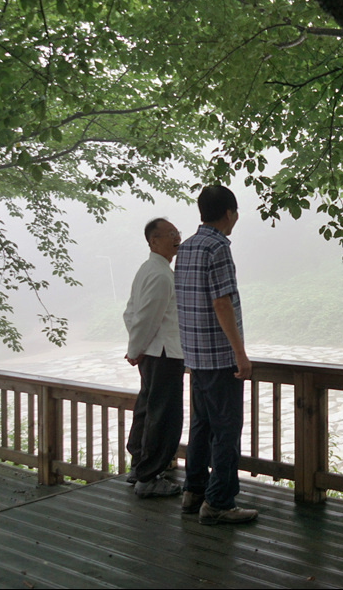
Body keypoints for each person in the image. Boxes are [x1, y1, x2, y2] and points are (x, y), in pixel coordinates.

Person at [175, 185, 257, 525]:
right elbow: (221, 302)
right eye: (235, 213)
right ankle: (219, 502)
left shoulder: (187, 247)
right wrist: (241, 354)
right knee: (226, 430)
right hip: (221, 358)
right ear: (229, 213)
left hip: (194, 356)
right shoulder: (218, 248)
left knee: (201, 426)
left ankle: (193, 492)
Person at [123, 218, 185, 498]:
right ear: (153, 241)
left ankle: (139, 466)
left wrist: (137, 348)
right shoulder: (160, 275)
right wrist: (136, 349)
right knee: (164, 415)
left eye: (177, 232)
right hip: (164, 353)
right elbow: (146, 318)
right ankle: (148, 477)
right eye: (170, 234)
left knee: (148, 408)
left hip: (153, 352)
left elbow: (131, 313)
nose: (176, 237)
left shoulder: (147, 269)